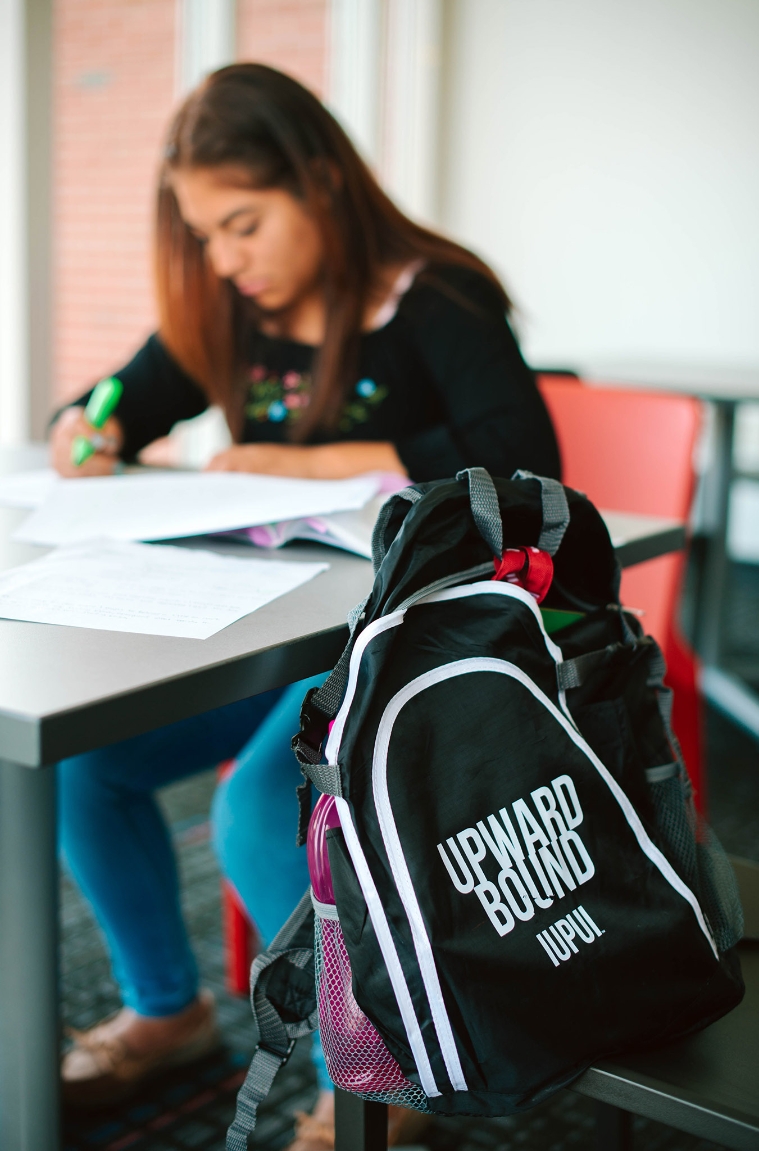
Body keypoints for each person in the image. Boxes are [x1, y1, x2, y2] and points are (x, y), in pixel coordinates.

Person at [50, 63, 560, 1147]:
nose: (225, 261)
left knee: (262, 808)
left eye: (242, 224)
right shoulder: (230, 310)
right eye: (206, 236)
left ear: (319, 181)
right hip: (277, 635)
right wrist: (82, 426)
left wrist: (309, 457)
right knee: (87, 765)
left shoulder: (432, 300)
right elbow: (117, 404)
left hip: (411, 647)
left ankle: (374, 1073)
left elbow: (522, 465)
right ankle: (167, 1009)